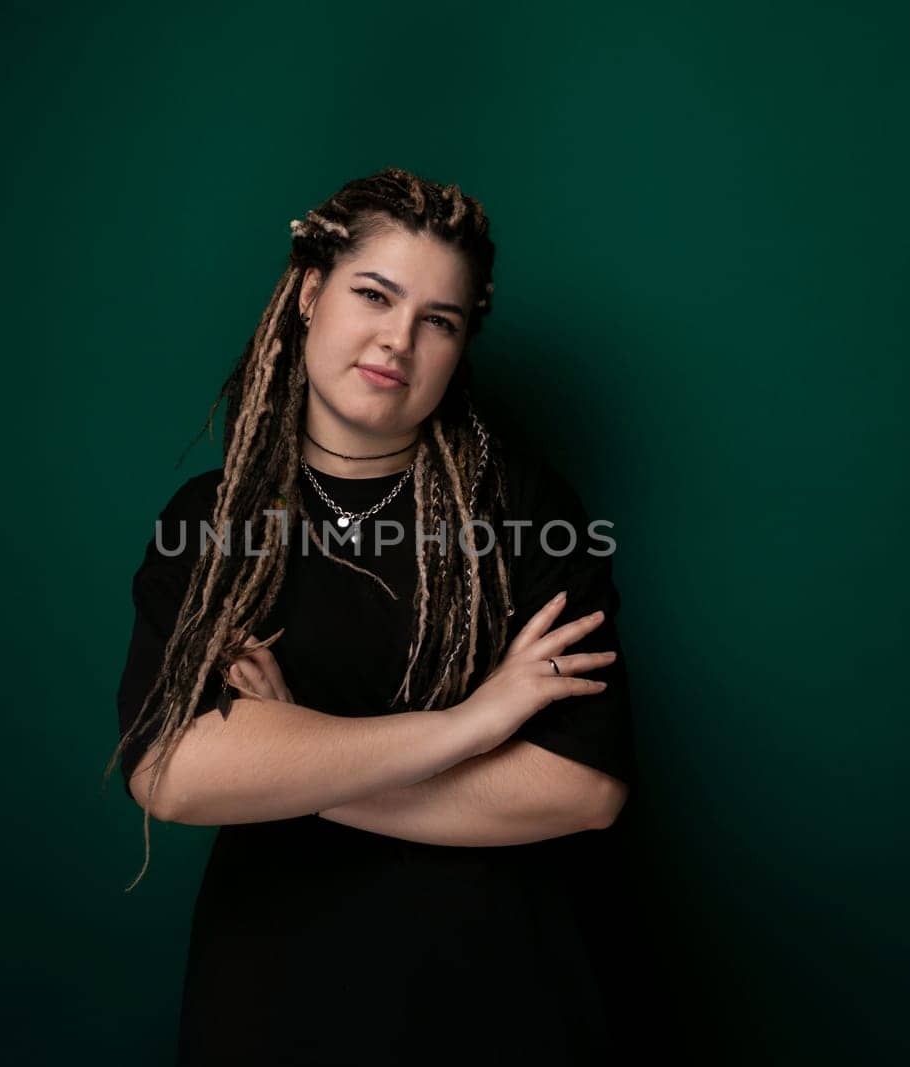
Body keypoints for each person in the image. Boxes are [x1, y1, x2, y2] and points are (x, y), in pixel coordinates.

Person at [104, 167, 640, 1065]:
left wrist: (290, 763)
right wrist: (468, 727)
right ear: (311, 293)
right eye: (374, 294)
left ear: (462, 344)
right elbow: (171, 774)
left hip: (499, 1009)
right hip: (271, 1010)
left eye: (439, 320)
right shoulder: (212, 521)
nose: (399, 339)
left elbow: (581, 789)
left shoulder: (524, 510)